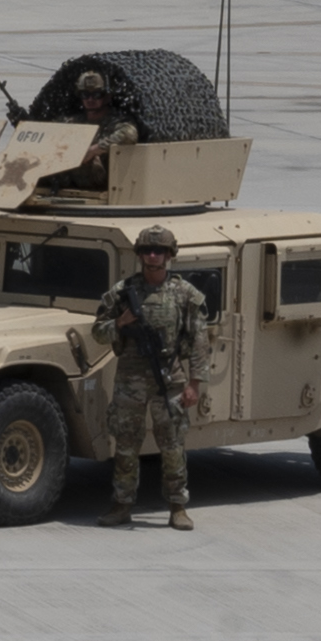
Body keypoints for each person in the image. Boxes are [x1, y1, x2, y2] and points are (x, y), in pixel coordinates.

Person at [98, 224, 210, 529]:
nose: (152, 256)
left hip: (169, 380)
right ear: (139, 254)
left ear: (169, 255)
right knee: (126, 446)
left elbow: (199, 340)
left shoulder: (185, 294)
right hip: (130, 382)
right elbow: (97, 332)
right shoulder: (122, 293)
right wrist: (119, 323)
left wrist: (194, 384)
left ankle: (177, 507)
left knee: (173, 446)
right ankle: (122, 505)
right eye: (147, 250)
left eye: (159, 251)